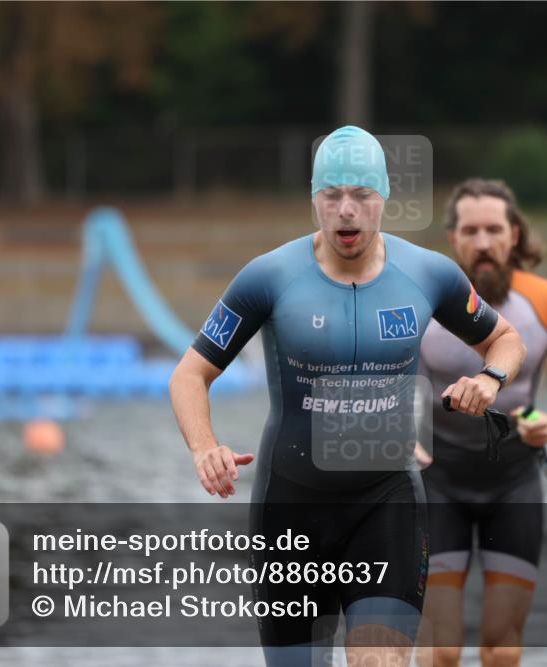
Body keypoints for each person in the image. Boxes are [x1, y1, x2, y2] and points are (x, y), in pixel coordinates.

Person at [169, 128, 527, 667]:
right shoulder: (268, 277)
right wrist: (204, 447)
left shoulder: (428, 273)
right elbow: (189, 375)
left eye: (361, 195)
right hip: (290, 508)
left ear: (384, 197)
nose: (346, 212)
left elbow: (505, 338)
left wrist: (489, 379)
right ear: (314, 200)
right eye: (331, 196)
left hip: (386, 504)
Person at [415, 178, 547, 667]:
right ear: (452, 239)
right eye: (471, 231)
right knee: (441, 646)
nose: (483, 243)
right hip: (437, 481)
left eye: (494, 230)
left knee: (501, 646)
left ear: (515, 236)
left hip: (513, 485)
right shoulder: (420, 302)